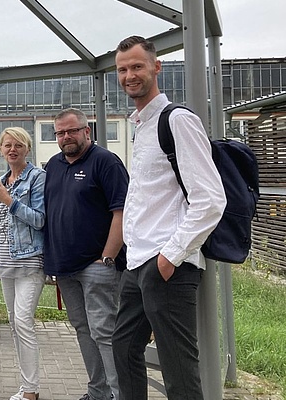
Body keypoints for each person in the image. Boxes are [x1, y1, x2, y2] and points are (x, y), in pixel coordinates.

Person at [112, 36, 227, 400]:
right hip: (138, 262)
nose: (130, 75)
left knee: (178, 369)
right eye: (123, 69)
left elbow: (210, 199)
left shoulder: (176, 120)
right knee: (124, 348)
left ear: (156, 67)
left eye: (137, 66)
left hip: (166, 264)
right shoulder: (142, 125)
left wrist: (168, 257)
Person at [43, 108, 128, 400]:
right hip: (66, 268)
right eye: (60, 133)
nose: (66, 137)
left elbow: (122, 212)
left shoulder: (105, 162)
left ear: (86, 131)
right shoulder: (53, 165)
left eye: (72, 130)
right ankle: (97, 392)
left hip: (97, 266)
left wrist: (107, 257)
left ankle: (119, 394)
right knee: (82, 329)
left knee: (104, 332)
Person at [0, 127, 46, 400]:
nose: (12, 150)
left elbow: (40, 220)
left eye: (18, 145)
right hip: (5, 261)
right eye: (7, 145)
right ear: (1, 149)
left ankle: (31, 390)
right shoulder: (3, 179)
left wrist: (9, 200)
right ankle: (25, 385)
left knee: (23, 321)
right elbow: (7, 225)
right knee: (15, 322)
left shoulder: (38, 178)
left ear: (27, 149)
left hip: (30, 261)